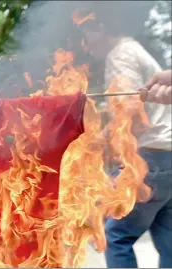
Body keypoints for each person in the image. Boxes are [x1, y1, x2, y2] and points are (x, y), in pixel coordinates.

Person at [76, 2, 172, 268]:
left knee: (115, 236)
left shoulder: (120, 54)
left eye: (87, 34)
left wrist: (95, 142)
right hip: (169, 159)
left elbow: (129, 110)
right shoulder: (137, 51)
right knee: (169, 241)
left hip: (147, 160)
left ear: (103, 28)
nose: (85, 44)